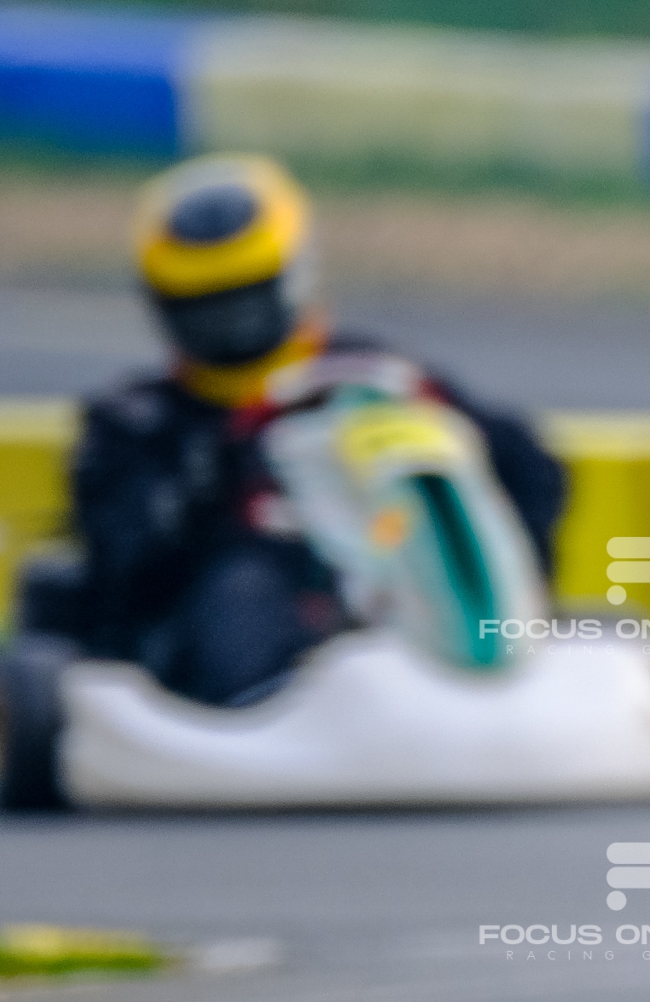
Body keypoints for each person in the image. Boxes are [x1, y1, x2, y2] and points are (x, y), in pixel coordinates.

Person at [35, 153, 566, 706]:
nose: (229, 327)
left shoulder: (380, 377)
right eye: (207, 308)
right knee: (247, 589)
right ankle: (279, 704)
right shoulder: (138, 422)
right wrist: (233, 470)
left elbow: (527, 468)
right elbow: (127, 569)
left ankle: (498, 661)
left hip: (384, 572)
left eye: (244, 302)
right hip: (221, 631)